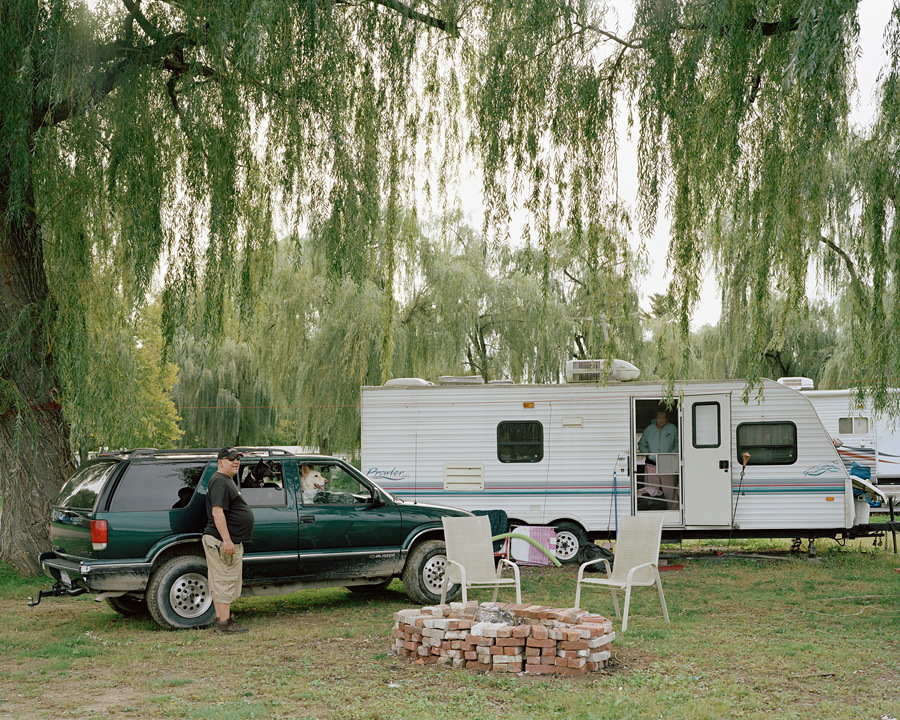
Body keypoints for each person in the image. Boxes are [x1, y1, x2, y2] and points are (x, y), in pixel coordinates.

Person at [203, 448, 255, 634]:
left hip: (219, 540)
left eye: (238, 459)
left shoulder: (225, 481)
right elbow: (217, 512)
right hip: (220, 541)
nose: (236, 462)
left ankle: (221, 621)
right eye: (231, 459)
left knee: (219, 582)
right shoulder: (220, 481)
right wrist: (227, 540)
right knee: (225, 581)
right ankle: (225, 625)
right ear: (220, 462)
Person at [638, 410, 680, 503]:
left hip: (668, 463)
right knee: (651, 489)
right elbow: (641, 445)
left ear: (667, 419)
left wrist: (670, 455)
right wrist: (648, 454)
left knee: (670, 490)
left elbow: (678, 444)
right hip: (652, 463)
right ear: (655, 418)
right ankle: (652, 509)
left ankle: (673, 511)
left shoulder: (672, 428)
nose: (661, 419)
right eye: (659, 417)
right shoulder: (649, 429)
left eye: (664, 417)